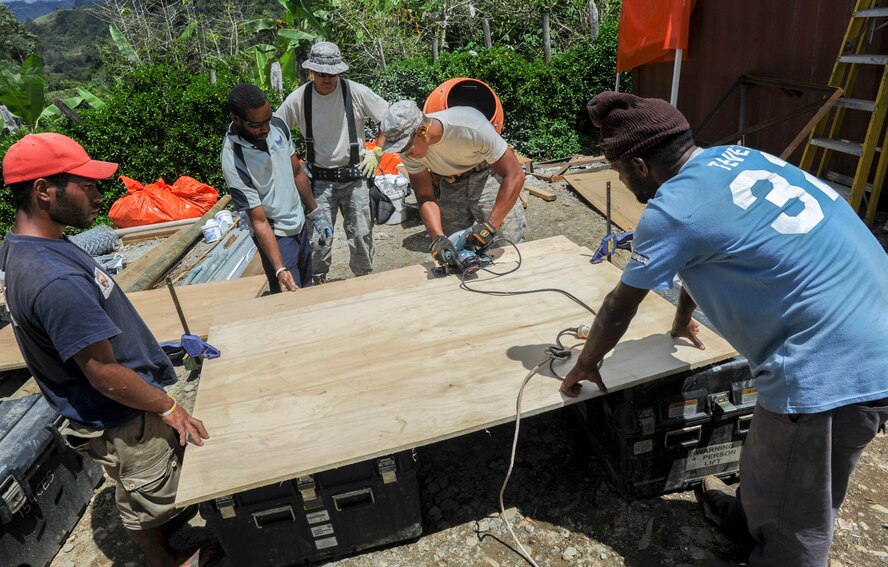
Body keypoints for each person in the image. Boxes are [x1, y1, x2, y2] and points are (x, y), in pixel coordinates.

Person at [560, 92, 888, 565]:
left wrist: (587, 363)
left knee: (801, 513)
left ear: (639, 164)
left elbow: (617, 306)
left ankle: (777, 550)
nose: (619, 179)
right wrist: (679, 318)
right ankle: (746, 520)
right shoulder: (733, 159)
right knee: (769, 451)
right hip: (868, 317)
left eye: (618, 171)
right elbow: (705, 253)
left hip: (833, 363)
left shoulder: (670, 210)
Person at [0, 133, 217, 567]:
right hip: (120, 412)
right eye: (86, 185)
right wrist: (168, 405)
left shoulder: (27, 247)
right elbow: (103, 372)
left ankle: (166, 524)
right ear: (44, 190)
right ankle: (166, 560)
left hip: (115, 406)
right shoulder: (53, 280)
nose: (99, 194)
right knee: (144, 488)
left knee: (147, 480)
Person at [275, 41, 389, 284]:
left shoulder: (356, 92)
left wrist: (377, 151)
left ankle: (364, 280)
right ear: (312, 72)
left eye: (332, 74)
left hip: (355, 177)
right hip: (319, 181)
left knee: (360, 234)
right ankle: (317, 282)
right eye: (321, 74)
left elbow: (388, 119)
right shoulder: (299, 99)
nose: (327, 79)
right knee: (318, 239)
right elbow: (275, 131)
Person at [379, 100, 526, 268]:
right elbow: (425, 196)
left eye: (406, 148)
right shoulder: (409, 151)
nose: (405, 155)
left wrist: (491, 225)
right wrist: (437, 237)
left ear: (422, 130)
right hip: (450, 179)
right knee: (454, 249)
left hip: (486, 174)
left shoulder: (471, 127)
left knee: (507, 241)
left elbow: (514, 174)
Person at [221, 83, 332, 293]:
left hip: (299, 224)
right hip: (277, 235)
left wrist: (316, 213)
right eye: (257, 125)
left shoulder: (278, 126)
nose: (266, 128)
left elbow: (297, 172)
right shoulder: (234, 159)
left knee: (307, 289)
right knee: (290, 296)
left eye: (268, 120)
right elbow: (259, 219)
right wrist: (280, 268)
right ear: (236, 119)